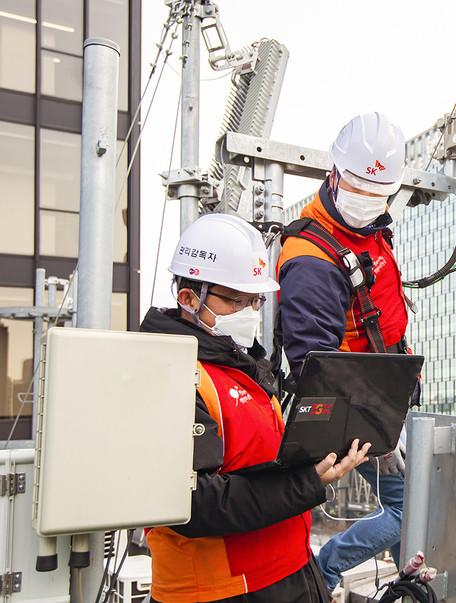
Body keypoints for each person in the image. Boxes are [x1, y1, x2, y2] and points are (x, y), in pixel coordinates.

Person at [141, 213, 371, 603]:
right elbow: (192, 503)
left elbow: (260, 460)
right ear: (188, 298)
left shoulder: (241, 367)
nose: (250, 310)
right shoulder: (167, 373)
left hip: (290, 570)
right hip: (220, 591)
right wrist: (308, 482)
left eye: (255, 300)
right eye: (237, 300)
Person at [277, 112, 413, 592]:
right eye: (358, 186)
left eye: (379, 194)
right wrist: (379, 427)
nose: (368, 201)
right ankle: (324, 569)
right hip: (369, 409)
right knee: (410, 509)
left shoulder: (365, 228)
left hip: (386, 400)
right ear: (332, 174)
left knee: (413, 512)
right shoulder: (311, 257)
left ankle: (410, 584)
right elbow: (318, 368)